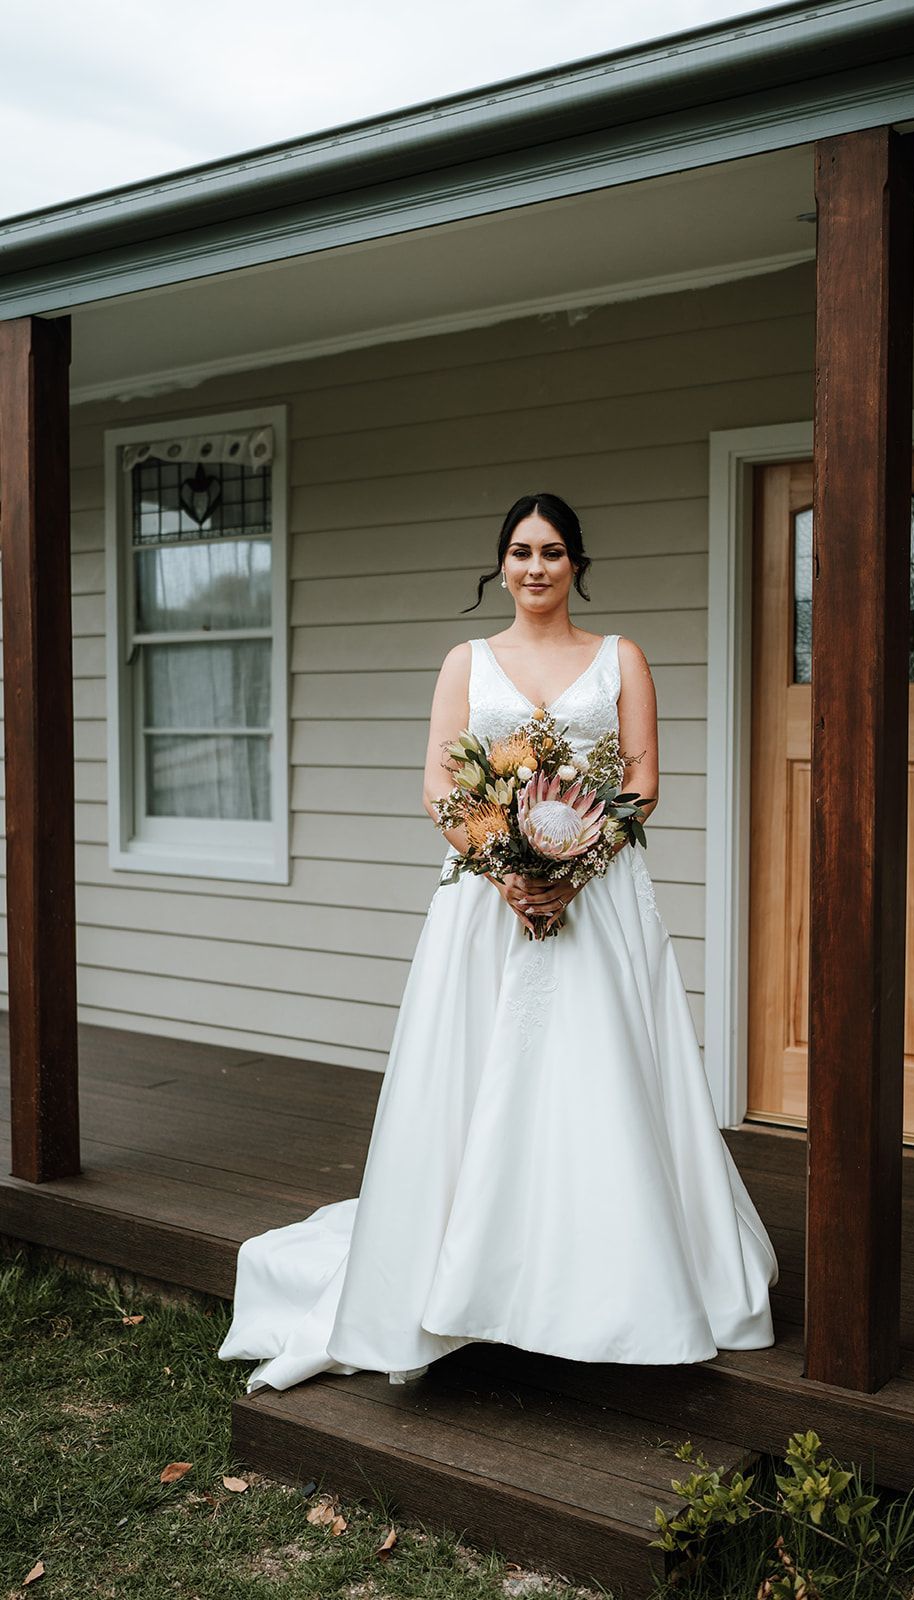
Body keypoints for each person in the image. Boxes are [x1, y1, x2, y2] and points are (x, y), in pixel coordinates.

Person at [217, 492, 778, 1394]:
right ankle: (465, 1279)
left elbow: (640, 780)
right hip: (486, 902)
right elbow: (441, 785)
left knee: (604, 1079)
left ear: (576, 564)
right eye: (520, 551)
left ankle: (615, 1279)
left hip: (599, 896)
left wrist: (570, 870)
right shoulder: (466, 663)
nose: (535, 567)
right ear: (501, 562)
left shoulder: (619, 658)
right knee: (480, 1076)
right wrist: (508, 873)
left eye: (553, 552)